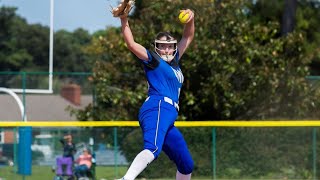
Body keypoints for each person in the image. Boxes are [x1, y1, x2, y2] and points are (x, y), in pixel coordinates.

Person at [117, 9, 195, 180]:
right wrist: (124, 20)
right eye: (162, 46)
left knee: (186, 164)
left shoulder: (174, 64)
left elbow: (187, 37)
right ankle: (126, 179)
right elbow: (131, 44)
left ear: (174, 48)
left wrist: (191, 19)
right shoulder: (154, 60)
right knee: (152, 148)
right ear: (156, 48)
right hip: (158, 106)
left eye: (169, 46)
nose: (166, 49)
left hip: (168, 116)